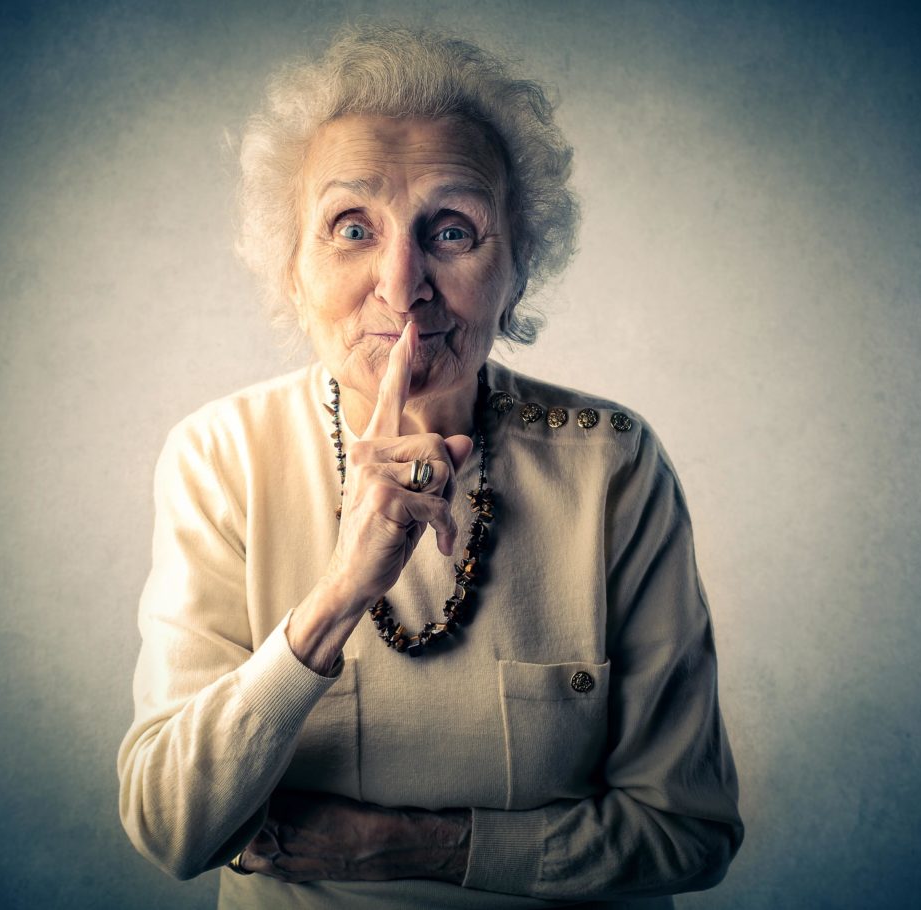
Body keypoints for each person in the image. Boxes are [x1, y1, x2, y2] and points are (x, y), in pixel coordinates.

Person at [117, 23, 743, 910]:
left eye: (452, 230)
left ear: (517, 271)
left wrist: (414, 848)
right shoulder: (219, 458)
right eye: (350, 228)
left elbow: (689, 833)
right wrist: (337, 594)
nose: (402, 283)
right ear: (292, 272)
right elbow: (171, 828)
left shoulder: (613, 466)